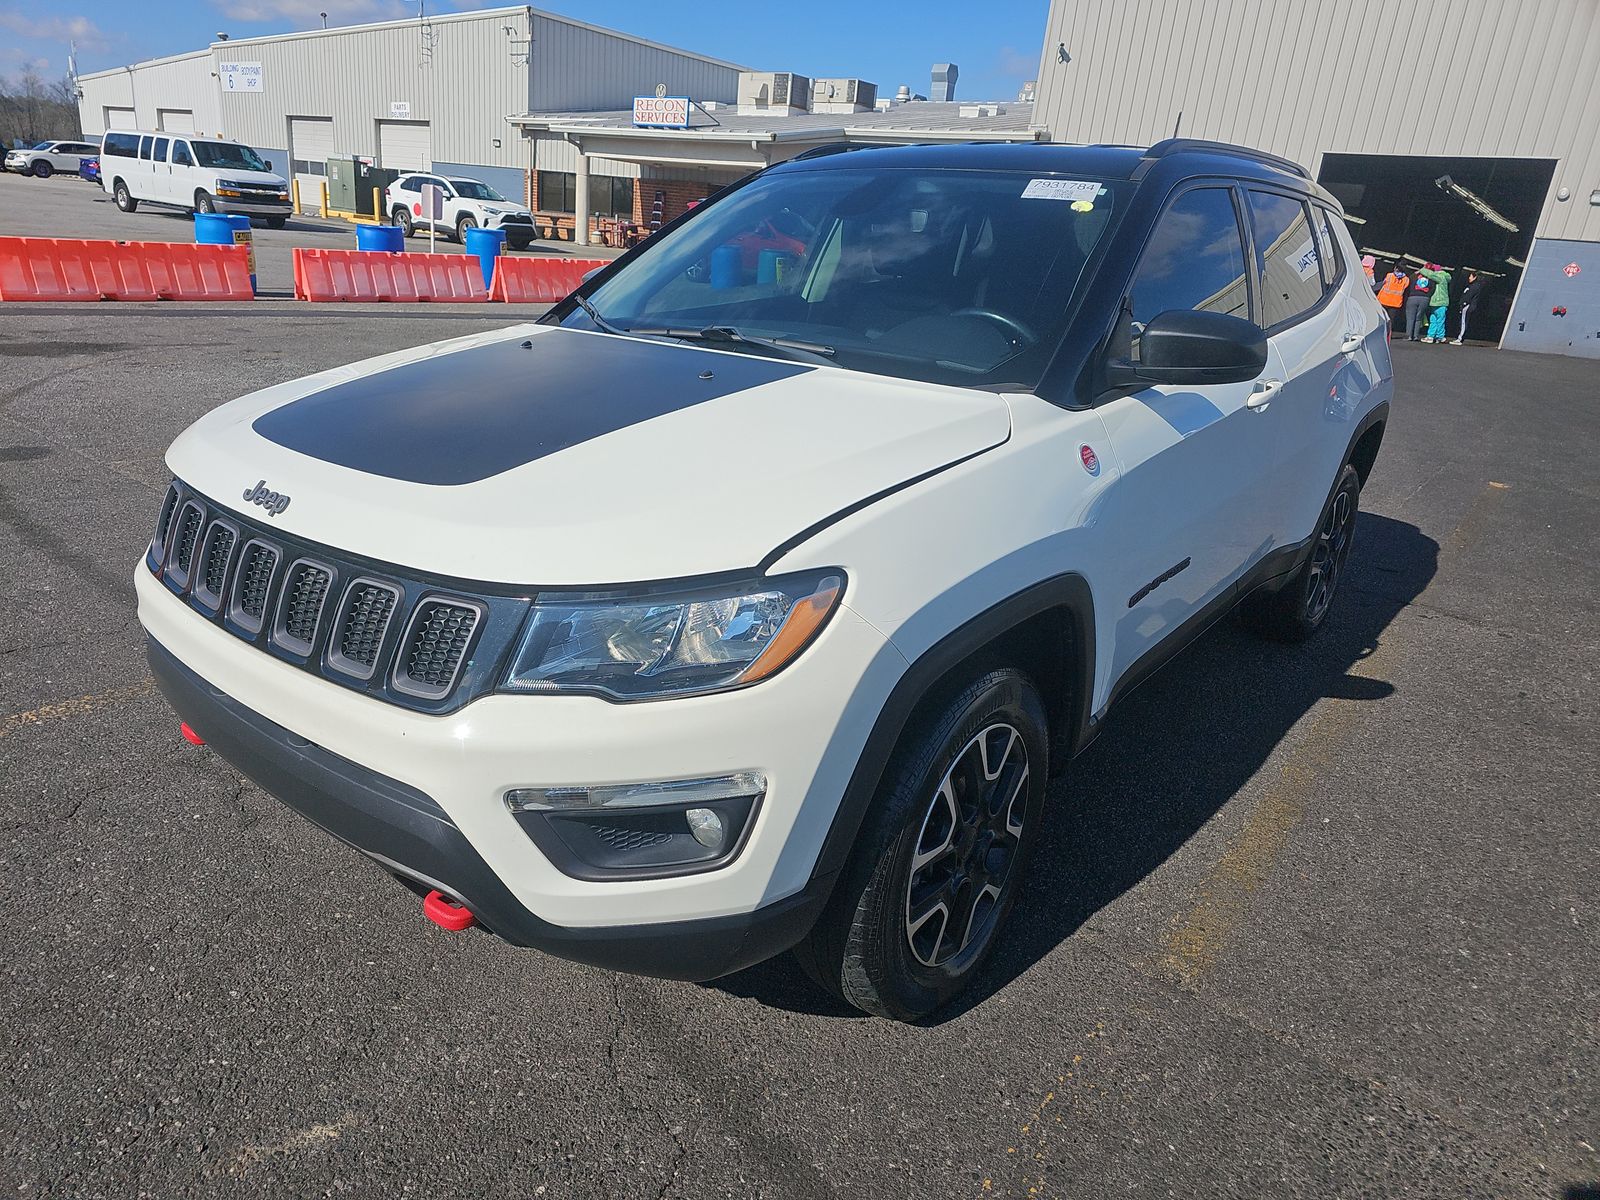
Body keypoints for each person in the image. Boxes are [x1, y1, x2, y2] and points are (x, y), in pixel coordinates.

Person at [1417, 263, 1451, 342]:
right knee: (1434, 320)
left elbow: (1431, 275)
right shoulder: (1444, 276)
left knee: (1439, 320)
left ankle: (1440, 336)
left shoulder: (1440, 276)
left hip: (1439, 302)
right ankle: (1431, 336)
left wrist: (1422, 269)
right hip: (1436, 302)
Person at [1451, 270, 1486, 344]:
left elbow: (1468, 297)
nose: (1469, 278)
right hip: (1467, 306)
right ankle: (1459, 336)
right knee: (1463, 321)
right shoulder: (1474, 286)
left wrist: (1463, 304)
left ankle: (1460, 338)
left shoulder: (1474, 287)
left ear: (1475, 277)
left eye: (1470, 276)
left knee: (1463, 322)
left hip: (1467, 306)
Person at [1377, 260, 1410, 333]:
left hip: (1384, 300)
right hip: (1395, 302)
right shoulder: (1406, 279)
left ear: (1395, 268)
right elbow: (1405, 288)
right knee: (1391, 319)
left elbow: (1383, 283)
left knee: (1382, 318)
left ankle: (1380, 332)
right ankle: (1388, 333)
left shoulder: (1389, 275)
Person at [1403, 265, 1432, 341]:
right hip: (1425, 299)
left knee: (1410, 318)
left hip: (1412, 297)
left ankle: (1408, 336)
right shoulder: (1431, 278)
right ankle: (1415, 336)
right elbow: (1433, 289)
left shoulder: (1414, 277)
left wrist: (1416, 273)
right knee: (1419, 318)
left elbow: (1408, 281)